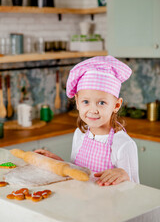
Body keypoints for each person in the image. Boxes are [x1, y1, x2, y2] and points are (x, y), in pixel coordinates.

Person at [35, 56, 139, 186]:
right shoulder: (80, 134)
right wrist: (57, 161)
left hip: (108, 205)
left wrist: (124, 175)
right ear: (77, 102)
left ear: (116, 105)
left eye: (101, 102)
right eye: (86, 102)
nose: (93, 110)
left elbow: (135, 189)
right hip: (80, 202)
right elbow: (76, 171)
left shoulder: (123, 144)